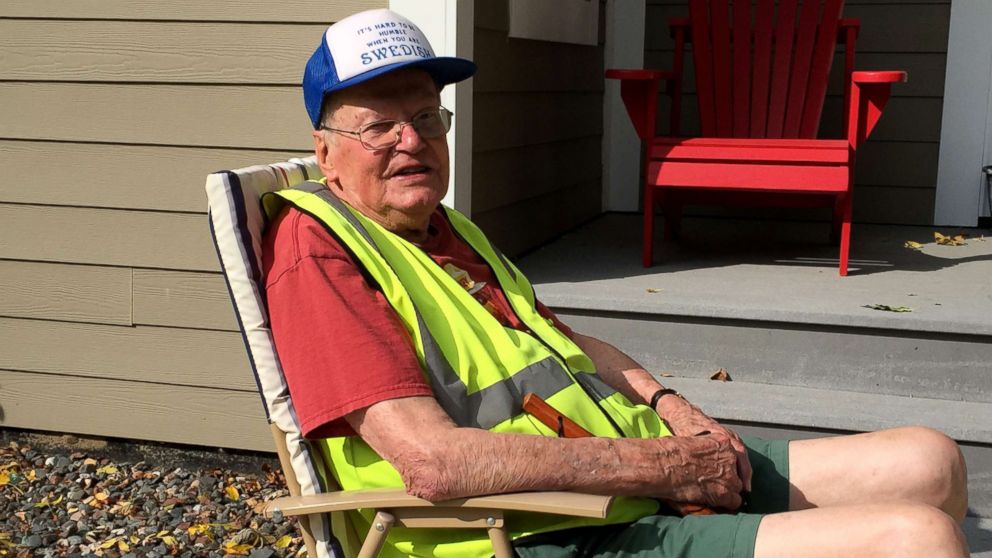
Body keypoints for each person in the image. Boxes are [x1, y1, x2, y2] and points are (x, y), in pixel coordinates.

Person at [263, 8, 969, 558]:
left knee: (931, 460)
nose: (411, 142)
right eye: (378, 128)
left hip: (616, 479)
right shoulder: (321, 256)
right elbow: (434, 463)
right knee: (917, 540)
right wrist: (662, 469)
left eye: (425, 118)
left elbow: (567, 345)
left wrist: (673, 408)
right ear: (326, 154)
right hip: (539, 532)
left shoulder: (444, 229)